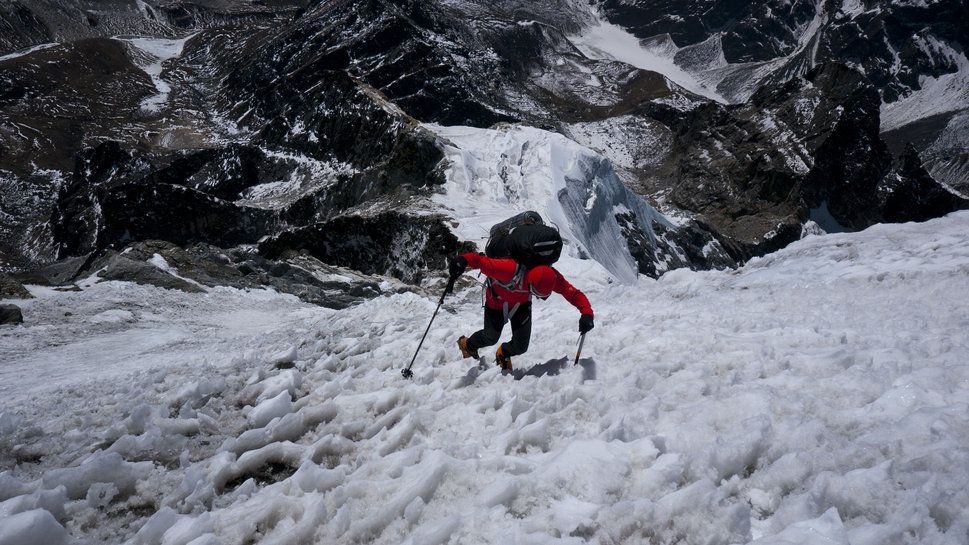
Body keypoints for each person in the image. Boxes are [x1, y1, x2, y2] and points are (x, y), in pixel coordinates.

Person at [448, 252, 594, 370]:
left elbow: (573, 293)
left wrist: (586, 313)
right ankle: (466, 344)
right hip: (497, 302)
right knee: (490, 337)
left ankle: (503, 353)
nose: (539, 297)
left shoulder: (551, 276)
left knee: (521, 346)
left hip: (521, 305)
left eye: (544, 296)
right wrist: (462, 260)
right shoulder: (509, 269)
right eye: (538, 293)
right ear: (530, 282)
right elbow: (480, 261)